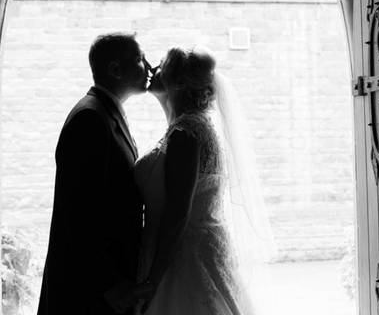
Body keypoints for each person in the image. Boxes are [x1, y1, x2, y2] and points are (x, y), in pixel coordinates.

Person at [134, 46, 273, 315]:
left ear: (178, 82)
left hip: (182, 259)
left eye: (160, 66)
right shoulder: (195, 127)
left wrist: (152, 281)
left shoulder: (185, 134)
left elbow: (177, 213)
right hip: (196, 250)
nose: (152, 69)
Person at [38, 32, 154, 315]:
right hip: (89, 290)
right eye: (140, 59)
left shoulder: (105, 112)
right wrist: (110, 284)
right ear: (115, 69)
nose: (149, 68)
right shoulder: (90, 119)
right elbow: (78, 214)